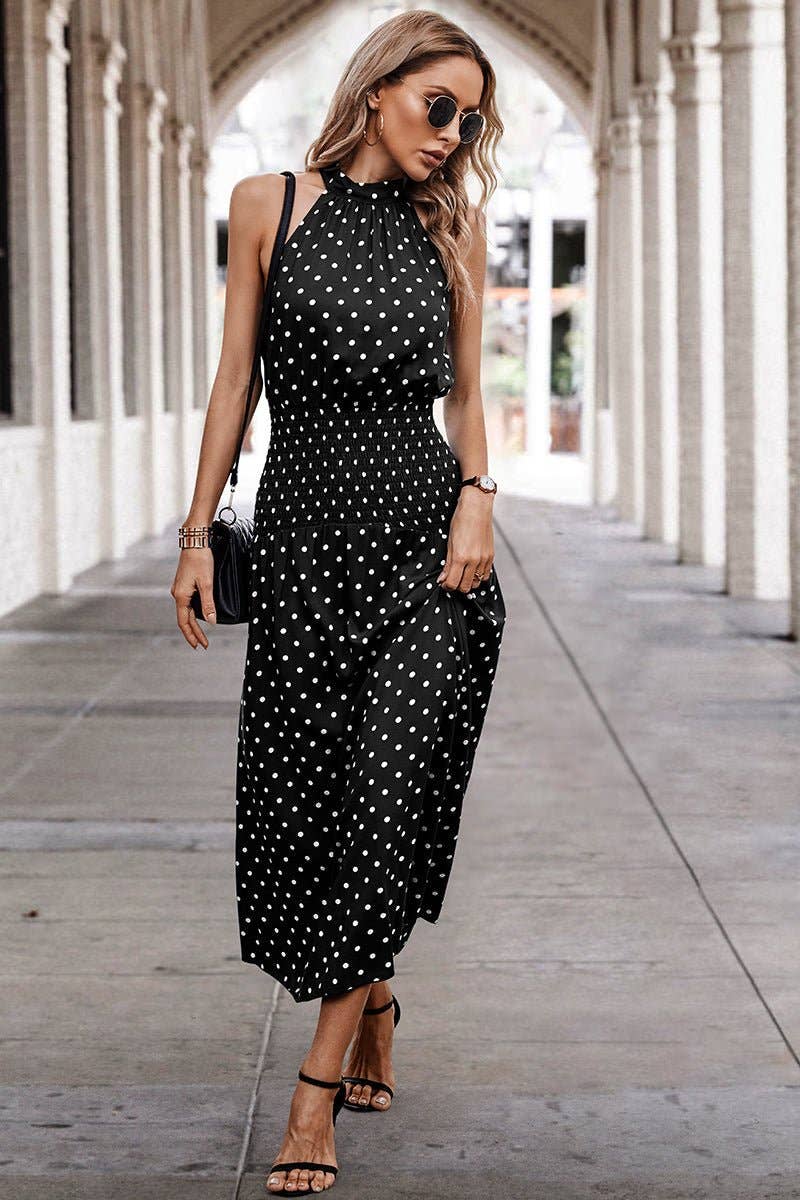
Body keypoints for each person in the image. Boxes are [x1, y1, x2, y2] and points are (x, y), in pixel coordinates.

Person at [170, 10, 506, 1195]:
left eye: (470, 119)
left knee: (384, 806)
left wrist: (477, 496)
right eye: (438, 107)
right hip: (309, 552)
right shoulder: (270, 204)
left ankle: (311, 1096)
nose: (453, 134)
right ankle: (372, 999)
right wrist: (197, 531)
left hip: (429, 559)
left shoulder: (451, 228)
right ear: (377, 91)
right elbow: (231, 384)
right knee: (308, 811)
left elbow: (468, 398)